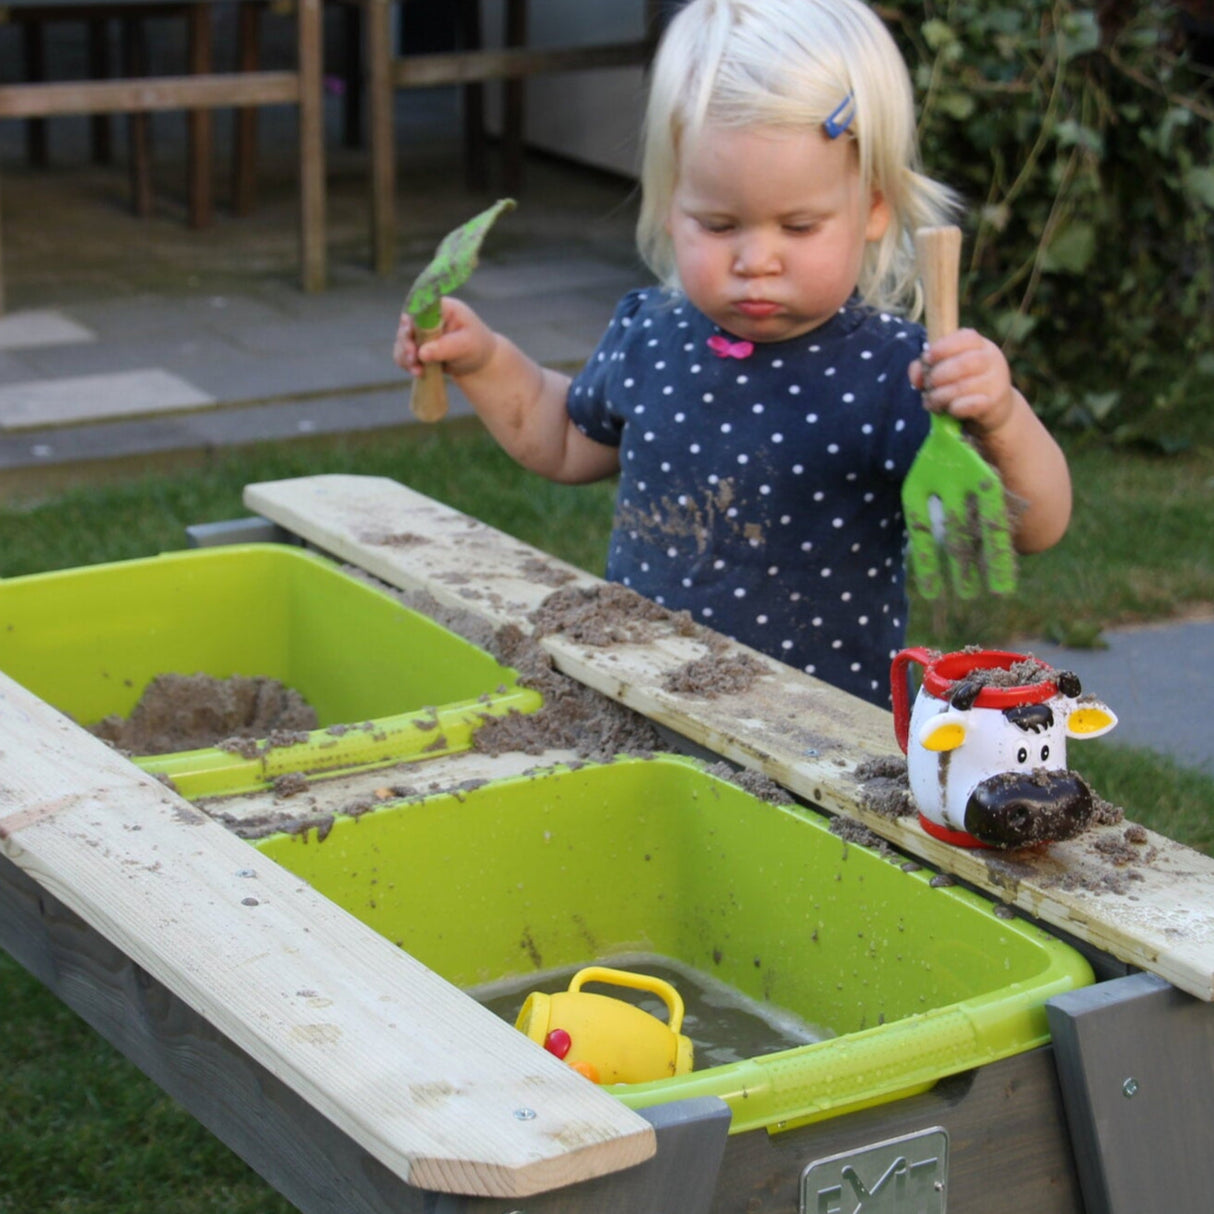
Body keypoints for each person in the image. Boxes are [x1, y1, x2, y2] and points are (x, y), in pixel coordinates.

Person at [394, 0, 1072, 707]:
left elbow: (1032, 526)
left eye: (799, 226)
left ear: (873, 208)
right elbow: (564, 436)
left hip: (817, 734)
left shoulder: (895, 374)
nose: (756, 260)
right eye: (717, 224)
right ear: (667, 205)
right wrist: (482, 358)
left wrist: (1000, 418)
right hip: (645, 701)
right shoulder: (651, 334)